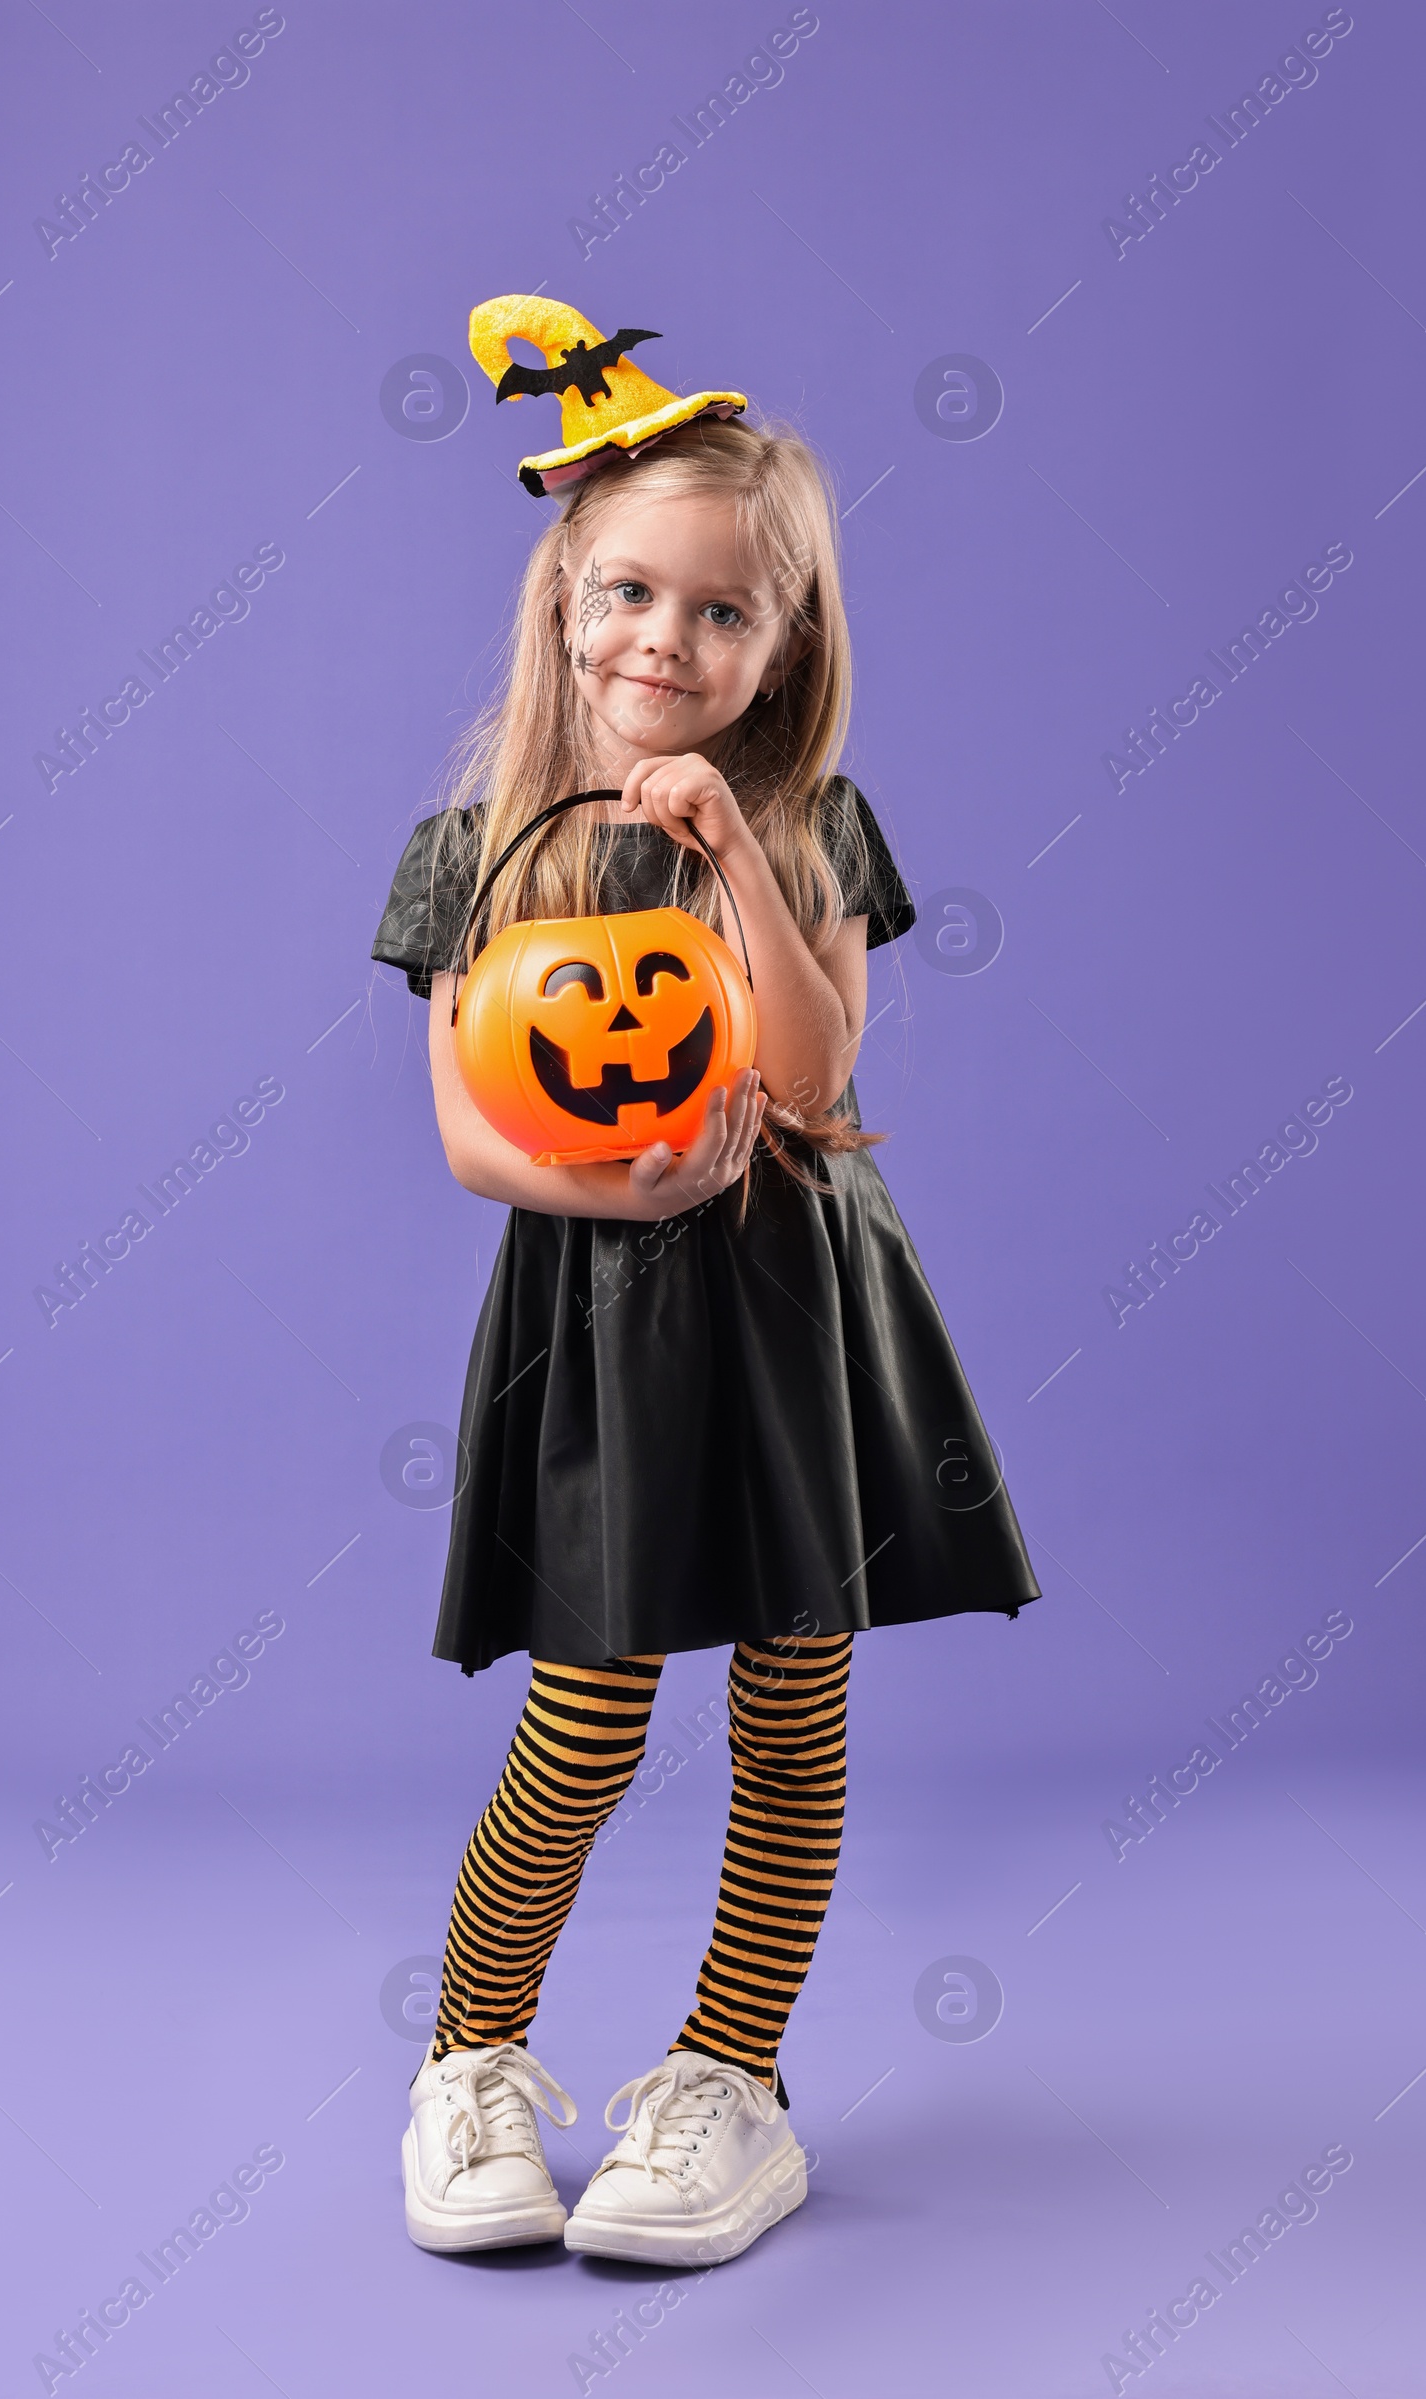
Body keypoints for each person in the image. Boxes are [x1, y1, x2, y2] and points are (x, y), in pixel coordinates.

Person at [370, 295, 1039, 2268]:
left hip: (799, 1314)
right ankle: (469, 2059)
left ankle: (727, 2080)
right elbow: (470, 1136)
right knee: (584, 1716)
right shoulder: (482, 851)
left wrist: (734, 863)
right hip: (608, 1314)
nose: (665, 640)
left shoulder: (806, 828)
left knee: (787, 1712)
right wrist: (627, 1195)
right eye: (629, 595)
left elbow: (819, 1082)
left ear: (785, 647)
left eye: (721, 614)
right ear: (565, 599)